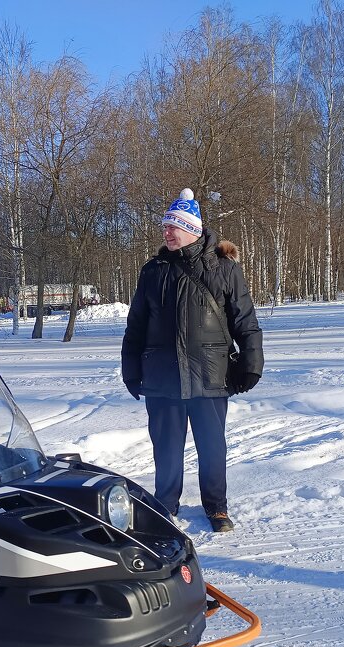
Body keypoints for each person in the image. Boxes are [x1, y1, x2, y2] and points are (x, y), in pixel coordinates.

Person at [121, 189, 264, 533]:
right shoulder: (153, 272)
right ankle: (165, 506)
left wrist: (251, 363)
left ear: (193, 230)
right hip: (162, 379)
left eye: (174, 227)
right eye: (165, 228)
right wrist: (131, 370)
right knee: (166, 449)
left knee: (212, 447)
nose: (167, 233)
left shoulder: (225, 270)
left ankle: (216, 507)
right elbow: (136, 325)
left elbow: (245, 321)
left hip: (211, 375)